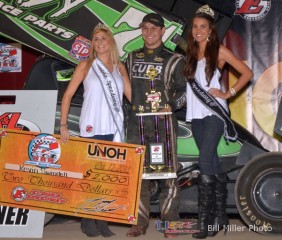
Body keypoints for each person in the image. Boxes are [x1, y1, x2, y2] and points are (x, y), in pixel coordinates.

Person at [183, 5, 253, 239]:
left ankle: (205, 223)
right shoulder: (191, 53)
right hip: (195, 114)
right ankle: (220, 216)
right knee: (211, 162)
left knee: (204, 162)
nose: (198, 30)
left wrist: (228, 92)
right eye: (195, 27)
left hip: (213, 113)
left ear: (211, 30)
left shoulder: (219, 51)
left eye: (203, 27)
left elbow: (246, 72)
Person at [60, 23, 131, 237]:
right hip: (92, 127)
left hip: (114, 129)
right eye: (96, 39)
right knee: (91, 177)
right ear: (93, 44)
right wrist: (63, 125)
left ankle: (102, 221)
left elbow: (132, 97)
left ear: (110, 42)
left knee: (108, 178)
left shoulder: (119, 67)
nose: (100, 42)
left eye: (103, 38)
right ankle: (87, 220)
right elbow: (67, 96)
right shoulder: (85, 66)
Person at [124, 13, 186, 238]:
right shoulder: (130, 58)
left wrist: (169, 105)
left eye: (154, 28)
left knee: (167, 175)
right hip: (136, 125)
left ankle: (171, 223)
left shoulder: (174, 59)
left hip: (163, 126)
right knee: (138, 175)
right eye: (145, 28)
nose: (149, 32)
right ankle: (139, 223)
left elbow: (184, 92)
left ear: (162, 31)